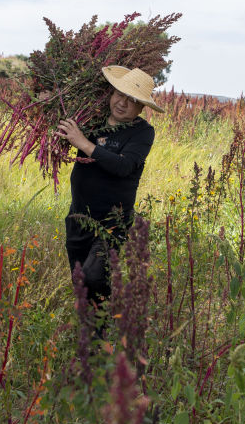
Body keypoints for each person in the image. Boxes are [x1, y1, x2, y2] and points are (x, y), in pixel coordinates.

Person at [54, 65, 163, 304]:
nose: (122, 103)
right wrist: (49, 101)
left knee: (94, 278)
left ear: (142, 108)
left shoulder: (142, 133)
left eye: (132, 100)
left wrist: (84, 143)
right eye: (119, 94)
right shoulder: (92, 120)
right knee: (81, 283)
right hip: (78, 217)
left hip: (112, 223)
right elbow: (60, 123)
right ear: (111, 93)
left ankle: (111, 323)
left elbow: (123, 166)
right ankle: (93, 325)